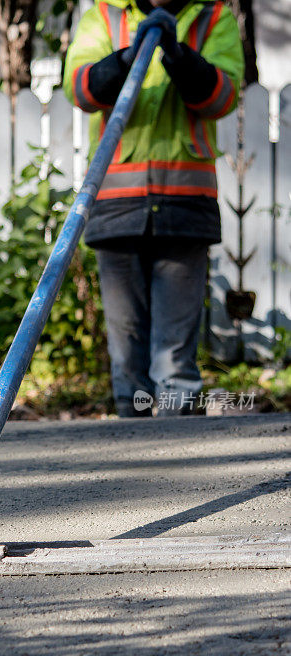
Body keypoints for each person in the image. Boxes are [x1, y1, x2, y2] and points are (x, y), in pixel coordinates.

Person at [63, 0, 244, 416]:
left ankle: (177, 455)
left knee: (174, 355)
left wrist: (179, 56)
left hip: (185, 203)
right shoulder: (103, 16)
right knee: (126, 348)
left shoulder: (211, 18)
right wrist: (128, 56)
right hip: (116, 203)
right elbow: (81, 89)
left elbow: (222, 98)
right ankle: (132, 444)